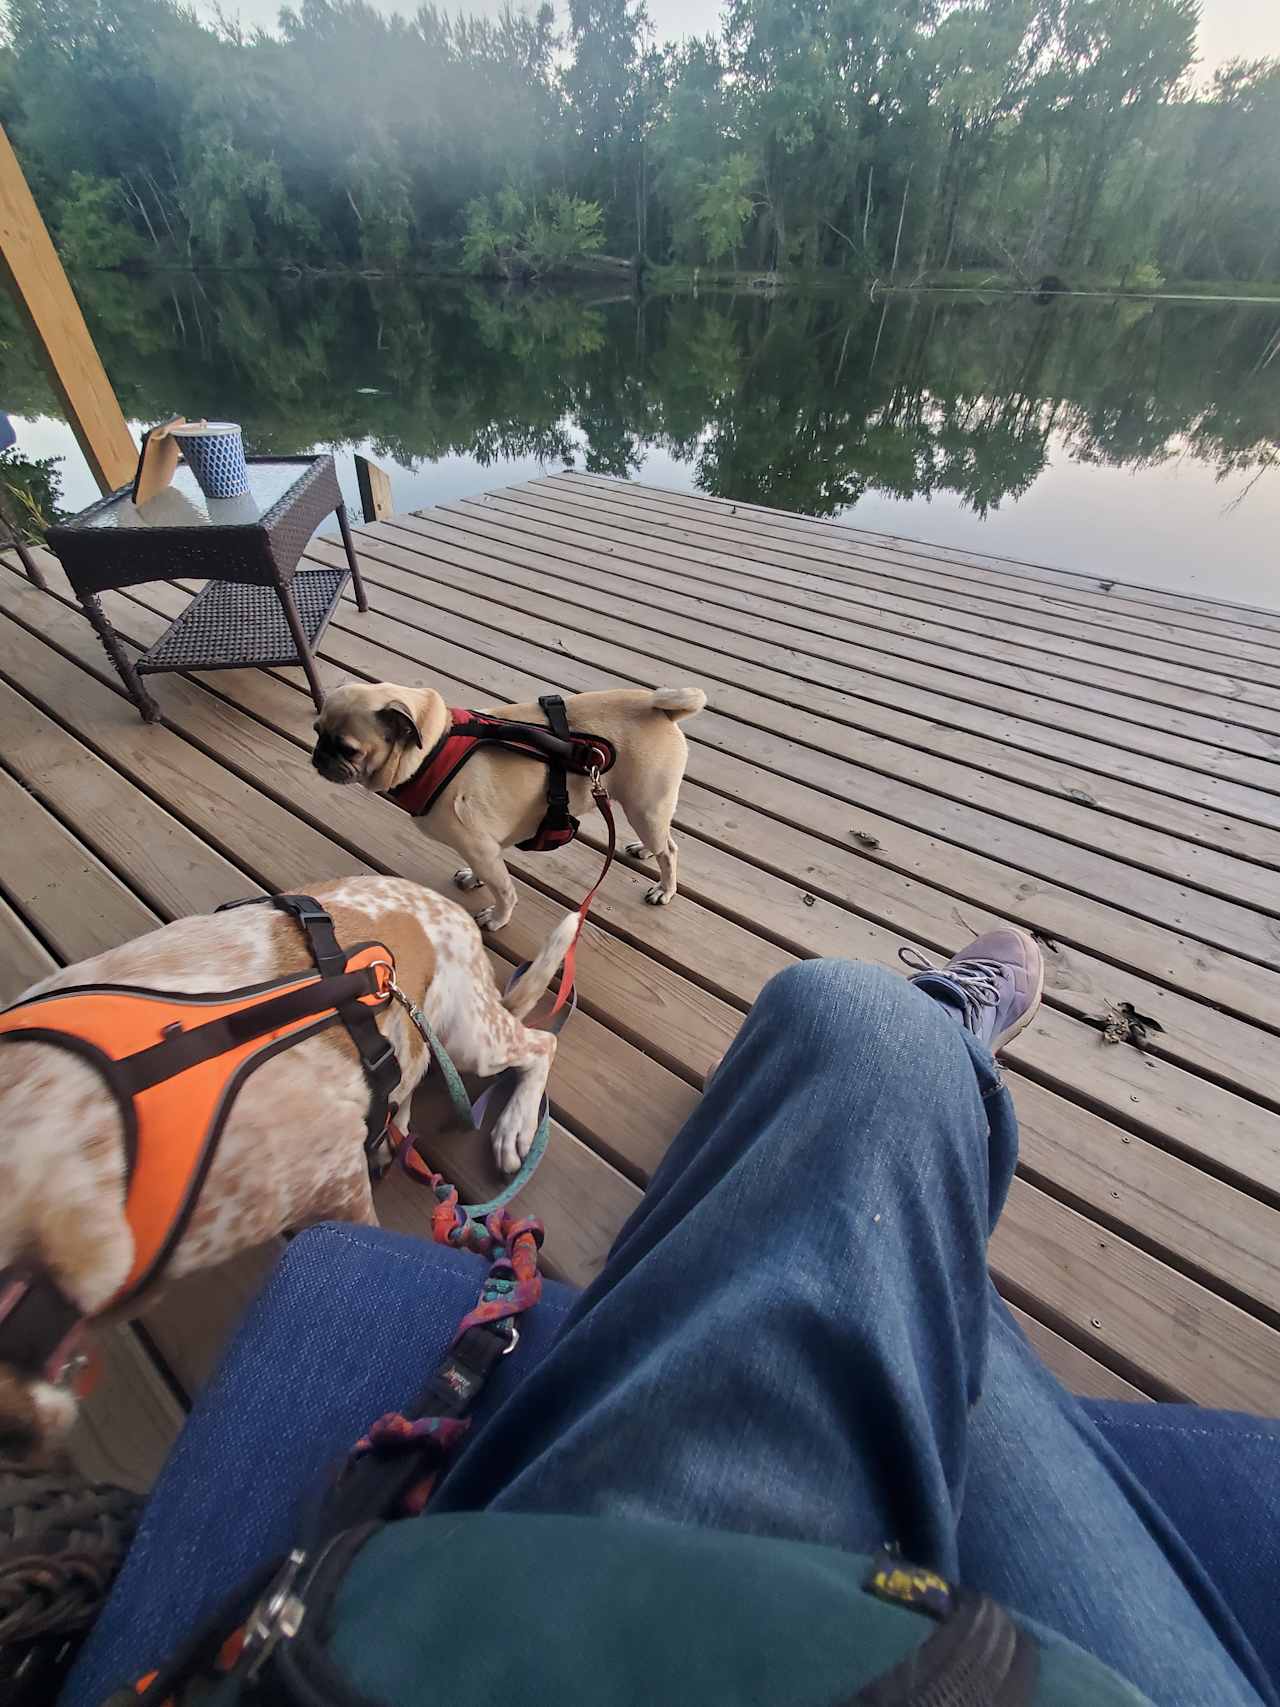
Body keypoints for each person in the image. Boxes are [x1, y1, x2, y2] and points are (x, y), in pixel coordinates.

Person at [420, 929, 1274, 1707]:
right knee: (851, 1021)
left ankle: (837, 1131)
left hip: (494, 1619)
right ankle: (918, 1079)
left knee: (840, 1063)